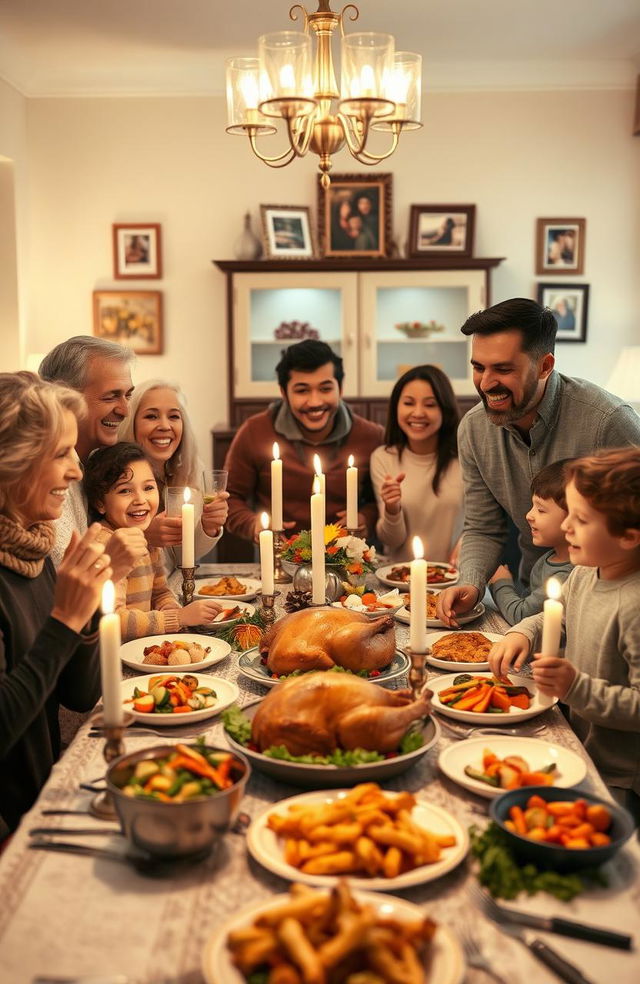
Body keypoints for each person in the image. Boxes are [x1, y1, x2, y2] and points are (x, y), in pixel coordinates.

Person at [436, 297, 640, 627]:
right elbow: (483, 527)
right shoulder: (473, 429)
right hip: (532, 597)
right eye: (478, 367)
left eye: (503, 369)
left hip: (610, 613)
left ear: (545, 366)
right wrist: (471, 582)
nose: (486, 383)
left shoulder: (609, 422)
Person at [489, 448, 640, 823]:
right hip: (579, 744)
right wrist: (523, 632)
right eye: (567, 513)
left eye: (581, 519)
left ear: (628, 536)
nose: (567, 527)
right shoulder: (588, 571)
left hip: (620, 776)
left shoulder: (635, 606)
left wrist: (577, 689)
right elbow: (557, 617)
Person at [0, 373, 112, 835]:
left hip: (38, 799)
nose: (77, 471)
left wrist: (91, 604)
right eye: (61, 453)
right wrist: (66, 618)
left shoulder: (33, 549)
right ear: (12, 462)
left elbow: (79, 693)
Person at [224, 340, 384, 542]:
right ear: (284, 393)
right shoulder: (254, 432)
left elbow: (380, 501)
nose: (315, 402)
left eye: (325, 389)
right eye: (302, 390)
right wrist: (254, 524)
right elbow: (229, 499)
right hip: (278, 558)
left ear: (340, 389)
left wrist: (365, 518)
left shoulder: (371, 436)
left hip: (346, 556)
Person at [83, 443, 222, 641]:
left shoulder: (146, 538)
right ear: (100, 503)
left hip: (145, 644)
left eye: (148, 487)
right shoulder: (107, 546)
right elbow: (113, 620)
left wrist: (175, 611)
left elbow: (160, 593)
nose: (140, 499)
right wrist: (179, 617)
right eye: (124, 491)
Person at [39, 336, 147, 580]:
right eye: (110, 397)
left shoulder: (97, 462)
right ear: (63, 396)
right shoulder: (47, 479)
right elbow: (63, 585)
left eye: (127, 395)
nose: (125, 410)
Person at [118, 378, 228, 572]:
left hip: (171, 592)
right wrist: (144, 535)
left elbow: (183, 555)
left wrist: (208, 526)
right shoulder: (114, 476)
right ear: (131, 423)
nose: (165, 426)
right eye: (151, 416)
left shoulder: (188, 471)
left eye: (174, 416)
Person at [370, 365, 463, 563]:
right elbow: (391, 541)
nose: (418, 413)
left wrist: (468, 541)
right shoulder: (383, 458)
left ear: (445, 409)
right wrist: (392, 509)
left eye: (430, 405)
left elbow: (483, 523)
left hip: (454, 579)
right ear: (396, 407)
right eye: (409, 403)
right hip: (398, 579)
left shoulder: (466, 458)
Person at [489, 459, 573, 624]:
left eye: (541, 510)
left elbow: (521, 615)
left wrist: (501, 582)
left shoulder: (566, 575)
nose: (529, 515)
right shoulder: (550, 558)